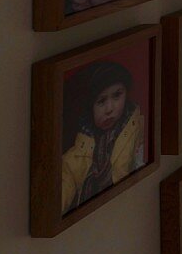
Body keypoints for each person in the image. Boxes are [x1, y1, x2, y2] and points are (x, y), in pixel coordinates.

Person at [61, 61, 144, 213]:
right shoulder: (82, 143)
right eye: (101, 101)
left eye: (117, 95)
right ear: (89, 107)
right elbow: (67, 178)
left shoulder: (137, 128)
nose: (110, 108)